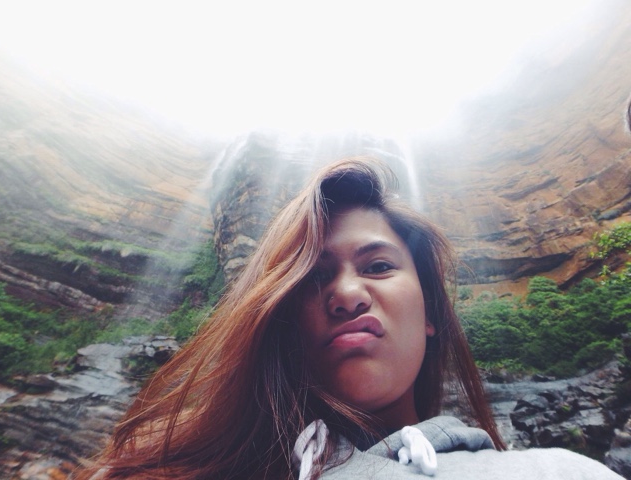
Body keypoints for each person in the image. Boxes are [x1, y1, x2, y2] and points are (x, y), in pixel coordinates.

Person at [78, 158, 622, 479]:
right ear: (283, 324)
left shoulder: (558, 473)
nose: (346, 294)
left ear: (431, 313)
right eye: (312, 278)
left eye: (378, 266)